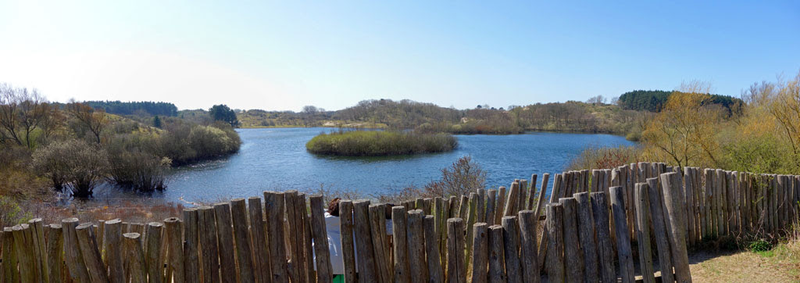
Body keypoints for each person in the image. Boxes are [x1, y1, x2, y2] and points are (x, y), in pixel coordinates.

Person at [316, 198, 393, 282]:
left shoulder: (323, 220)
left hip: (329, 263)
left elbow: (322, 211)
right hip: (353, 263)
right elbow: (389, 229)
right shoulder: (356, 219)